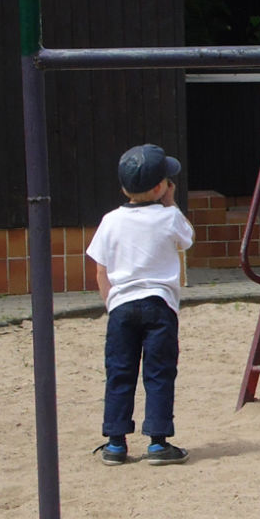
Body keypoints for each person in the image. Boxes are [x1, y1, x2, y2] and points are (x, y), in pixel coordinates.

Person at [87, 144, 195, 465]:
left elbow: (100, 269)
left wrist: (111, 303)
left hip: (121, 307)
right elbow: (187, 239)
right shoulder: (169, 216)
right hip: (160, 306)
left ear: (123, 188)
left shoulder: (110, 221)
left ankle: (116, 443)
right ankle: (158, 442)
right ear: (163, 186)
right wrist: (171, 203)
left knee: (119, 372)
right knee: (159, 372)